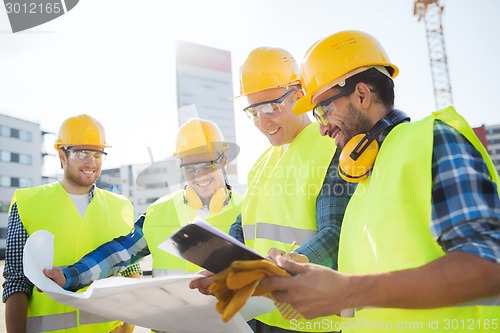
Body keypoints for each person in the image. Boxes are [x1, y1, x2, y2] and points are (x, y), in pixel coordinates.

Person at [260, 30, 500, 333]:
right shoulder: (364, 182)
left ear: (362, 95)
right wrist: (318, 289)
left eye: (324, 110)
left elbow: (490, 266)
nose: (322, 129)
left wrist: (347, 290)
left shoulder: (431, 141)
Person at [191, 47, 356, 333]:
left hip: (310, 321)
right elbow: (244, 226)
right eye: (253, 112)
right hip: (259, 315)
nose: (262, 123)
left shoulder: (330, 149)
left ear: (299, 96)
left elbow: (336, 235)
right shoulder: (262, 164)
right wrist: (224, 264)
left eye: (270, 108)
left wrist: (280, 269)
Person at [43, 119, 243, 331]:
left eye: (207, 165)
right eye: (190, 168)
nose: (199, 175)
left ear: (223, 162)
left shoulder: (247, 210)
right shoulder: (160, 211)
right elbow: (119, 253)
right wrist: (69, 276)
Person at [2, 114, 141, 333]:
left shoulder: (120, 206)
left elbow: (130, 271)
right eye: (82, 153)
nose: (91, 162)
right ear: (62, 156)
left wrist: (127, 328)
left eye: (97, 154)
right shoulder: (28, 203)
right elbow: (16, 281)